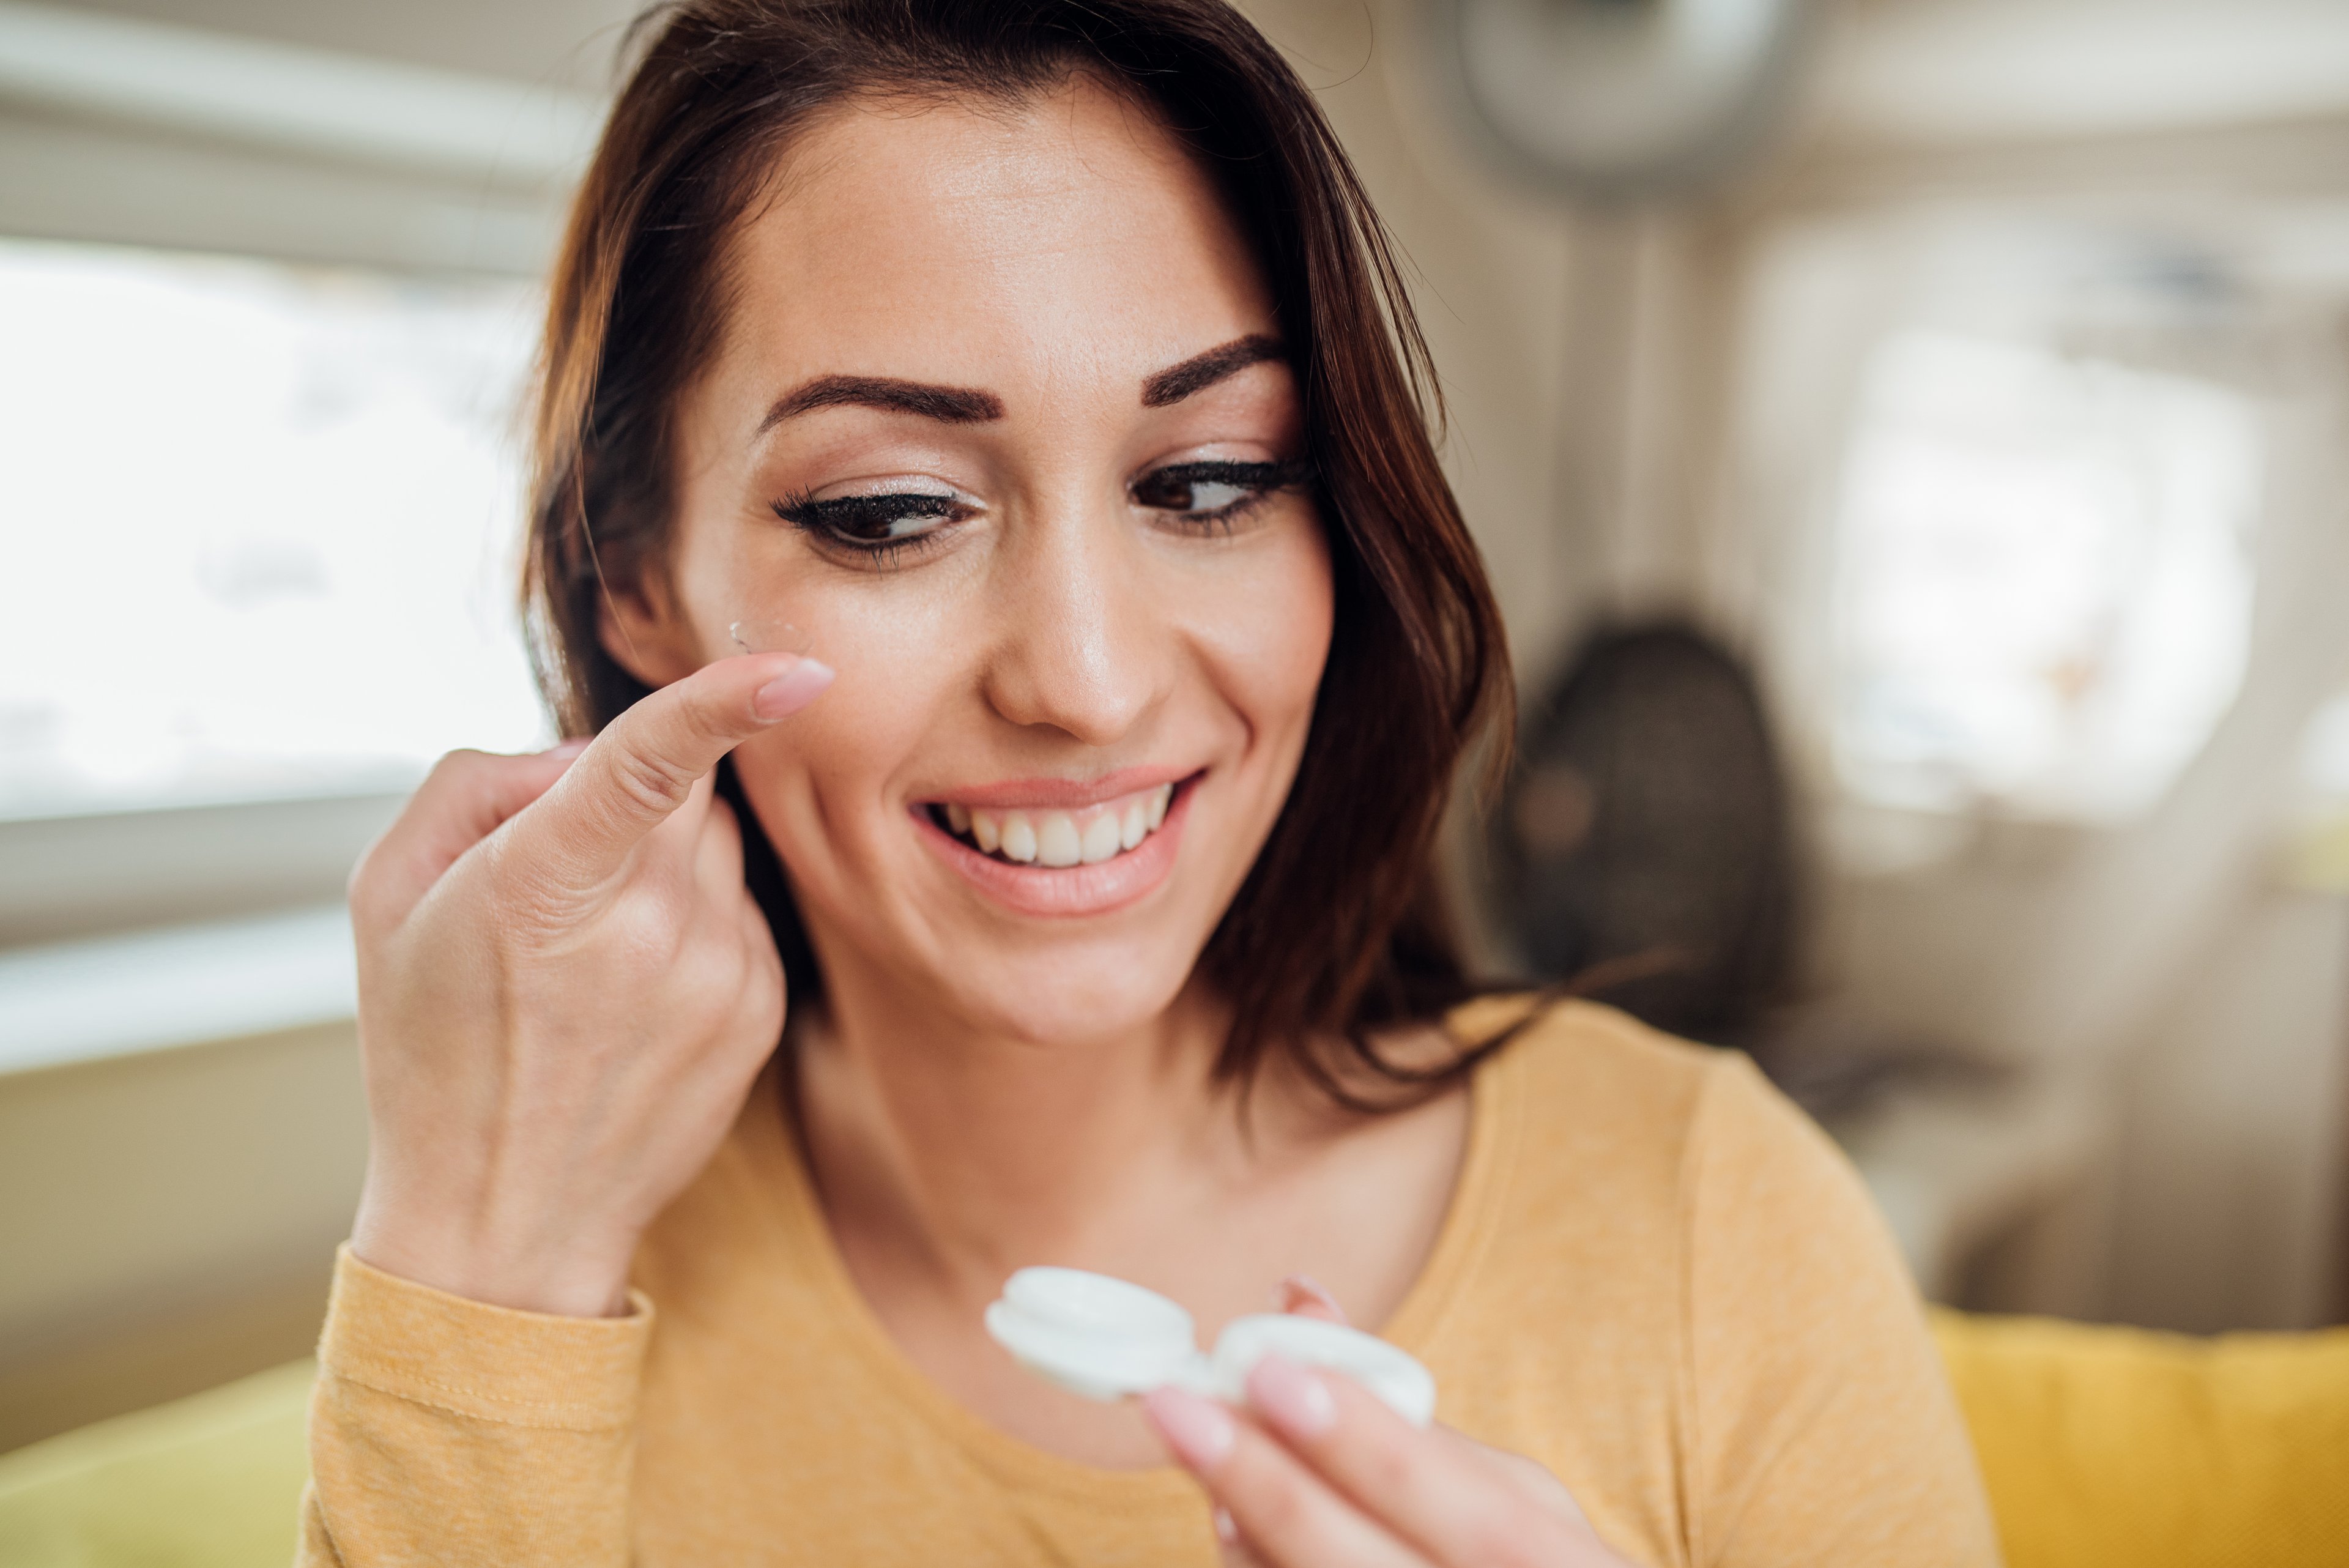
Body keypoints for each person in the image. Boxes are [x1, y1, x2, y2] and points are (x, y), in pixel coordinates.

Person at [302, 2, 1997, 1562]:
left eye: (1206, 481)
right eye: (891, 511)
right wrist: (472, 1260)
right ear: (635, 586)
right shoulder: (527, 1281)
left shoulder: (1713, 1214)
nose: (1091, 678)